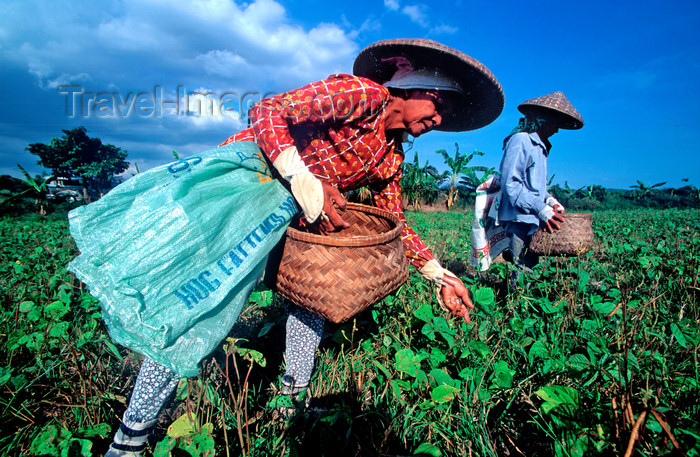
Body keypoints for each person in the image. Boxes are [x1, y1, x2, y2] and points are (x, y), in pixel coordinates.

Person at [70, 38, 503, 456]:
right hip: (248, 190)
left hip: (291, 217)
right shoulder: (362, 94)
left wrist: (439, 276)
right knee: (197, 305)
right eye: (438, 106)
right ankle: (129, 438)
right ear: (412, 89)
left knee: (310, 299)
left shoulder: (390, 155)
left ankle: (290, 402)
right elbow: (269, 110)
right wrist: (304, 178)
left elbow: (397, 222)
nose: (440, 120)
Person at [497, 91, 584, 286]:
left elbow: (535, 187)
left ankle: (521, 300)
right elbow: (511, 184)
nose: (557, 130)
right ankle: (514, 307)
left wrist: (549, 201)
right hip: (519, 216)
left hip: (532, 215)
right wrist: (540, 208)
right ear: (542, 121)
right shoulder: (521, 141)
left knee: (531, 263)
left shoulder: (540, 147)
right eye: (554, 124)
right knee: (521, 265)